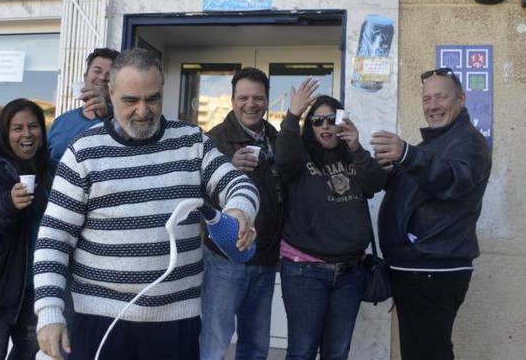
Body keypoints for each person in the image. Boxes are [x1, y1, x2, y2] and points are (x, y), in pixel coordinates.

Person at [33, 49, 259, 360]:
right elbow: (53, 238)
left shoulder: (191, 141)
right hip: (99, 320)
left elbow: (238, 183)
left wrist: (239, 211)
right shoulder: (83, 151)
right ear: (111, 94)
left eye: (152, 99)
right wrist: (49, 312)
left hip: (176, 321)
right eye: (130, 100)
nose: (143, 111)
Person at [374, 67, 492, 360]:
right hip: (419, 266)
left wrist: (406, 155)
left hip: (433, 269)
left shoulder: (468, 140)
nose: (433, 106)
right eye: (427, 99)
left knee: (427, 353)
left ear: (461, 99)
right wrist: (382, 166)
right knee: (421, 352)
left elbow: (452, 179)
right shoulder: (433, 143)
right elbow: (408, 185)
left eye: (441, 97)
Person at [275, 80, 387, 360]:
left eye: (331, 120)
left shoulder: (353, 158)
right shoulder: (299, 159)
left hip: (351, 273)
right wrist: (293, 115)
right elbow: (283, 158)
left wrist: (357, 147)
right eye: (317, 121)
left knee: (337, 353)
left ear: (341, 124)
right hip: (305, 271)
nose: (325, 126)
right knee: (302, 351)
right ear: (310, 127)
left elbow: (376, 182)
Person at [200, 67, 283, 360]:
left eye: (258, 98)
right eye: (243, 97)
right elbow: (197, 195)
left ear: (267, 99)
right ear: (232, 100)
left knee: (256, 345)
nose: (251, 104)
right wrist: (228, 169)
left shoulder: (275, 136)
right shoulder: (213, 140)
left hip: (264, 255)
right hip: (224, 257)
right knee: (214, 340)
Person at [0, 99, 52, 359]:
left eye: (33, 126)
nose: (26, 134)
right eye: (18, 128)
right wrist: (9, 204)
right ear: (5, 132)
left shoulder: (52, 170)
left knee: (30, 351)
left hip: (36, 287)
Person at [47, 48, 119, 165]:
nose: (102, 77)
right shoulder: (61, 121)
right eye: (97, 71)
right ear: (85, 76)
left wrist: (106, 117)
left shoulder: (124, 123)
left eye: (110, 74)